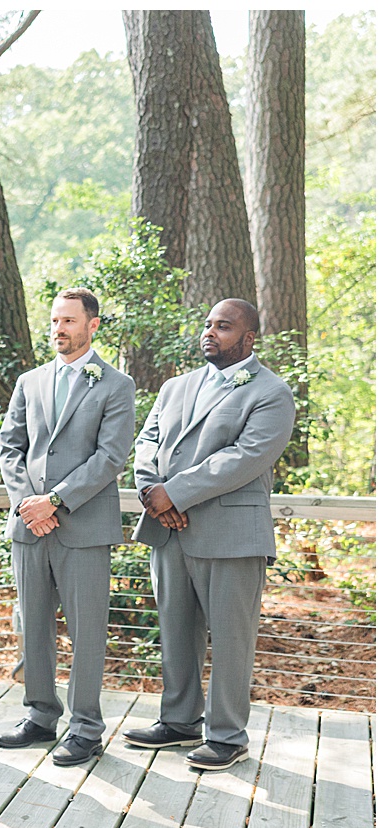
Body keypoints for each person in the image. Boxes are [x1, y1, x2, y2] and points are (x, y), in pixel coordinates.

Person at [124, 298, 293, 771]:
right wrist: (151, 492)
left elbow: (246, 457)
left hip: (232, 534)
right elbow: (147, 442)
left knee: (232, 639)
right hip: (168, 529)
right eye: (208, 324)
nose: (210, 333)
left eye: (224, 326)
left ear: (248, 338)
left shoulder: (271, 392)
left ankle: (227, 736)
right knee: (176, 632)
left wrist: (175, 493)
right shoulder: (176, 386)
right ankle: (179, 721)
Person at [0, 288, 136, 765]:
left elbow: (110, 457)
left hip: (84, 526)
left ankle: (86, 728)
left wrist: (55, 501)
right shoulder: (30, 381)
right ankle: (39, 716)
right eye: (55, 321)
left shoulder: (116, 385)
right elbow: (10, 448)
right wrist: (27, 505)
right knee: (33, 625)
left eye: (69, 321)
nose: (59, 329)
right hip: (29, 527)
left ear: (92, 325)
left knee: (86, 630)